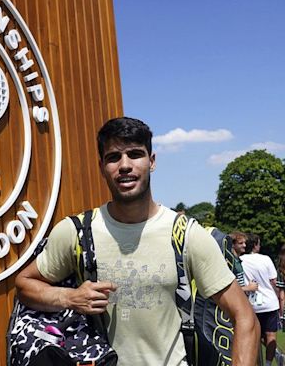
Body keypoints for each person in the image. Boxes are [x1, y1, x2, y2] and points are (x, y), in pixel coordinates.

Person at [15, 117, 259, 366]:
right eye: (113, 157)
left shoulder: (186, 234)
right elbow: (24, 284)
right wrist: (69, 297)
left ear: (151, 161)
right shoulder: (76, 232)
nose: (125, 165)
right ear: (101, 166)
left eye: (135, 154)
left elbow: (245, 317)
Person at [241, 233, 280, 366]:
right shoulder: (266, 259)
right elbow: (274, 281)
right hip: (269, 303)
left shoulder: (240, 260)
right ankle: (269, 363)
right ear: (256, 245)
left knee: (253, 337)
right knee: (271, 336)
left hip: (250, 304)